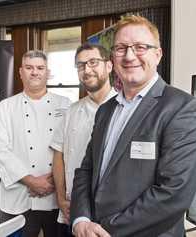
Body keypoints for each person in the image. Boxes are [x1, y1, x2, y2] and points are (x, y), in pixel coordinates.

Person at [70, 15, 196, 237]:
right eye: (121, 48)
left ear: (158, 54)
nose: (129, 56)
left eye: (141, 47)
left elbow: (173, 193)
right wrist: (81, 219)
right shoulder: (106, 110)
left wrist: (106, 229)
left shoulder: (182, 108)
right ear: (112, 57)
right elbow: (87, 170)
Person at [0, 50, 71, 237]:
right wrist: (31, 181)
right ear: (20, 72)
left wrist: (52, 180)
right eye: (29, 68)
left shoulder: (65, 104)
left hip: (55, 196)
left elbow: (73, 147)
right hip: (18, 197)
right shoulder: (5, 107)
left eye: (40, 68)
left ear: (47, 72)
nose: (35, 72)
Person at [50, 43, 116, 236]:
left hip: (109, 214)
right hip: (72, 210)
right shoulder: (71, 111)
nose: (87, 70)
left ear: (109, 66)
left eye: (93, 62)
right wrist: (61, 199)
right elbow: (58, 156)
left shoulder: (123, 108)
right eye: (80, 65)